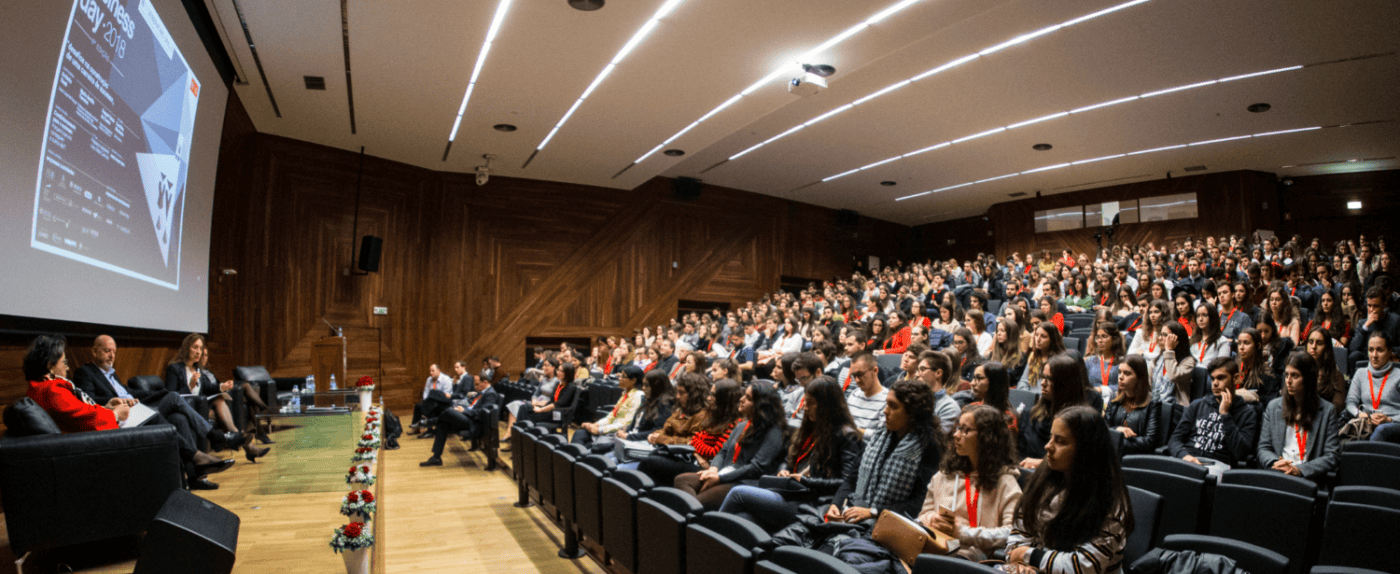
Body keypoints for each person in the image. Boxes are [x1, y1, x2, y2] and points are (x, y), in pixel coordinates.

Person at [24, 335, 236, 490]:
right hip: (101, 436)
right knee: (163, 410)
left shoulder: (47, 387)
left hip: (106, 421)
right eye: (64, 362)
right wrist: (114, 414)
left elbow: (82, 411)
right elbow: (84, 417)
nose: (67, 368)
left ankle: (190, 474)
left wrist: (108, 407)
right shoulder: (52, 390)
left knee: (177, 416)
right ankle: (202, 453)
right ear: (50, 366)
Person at [74, 335, 255, 454]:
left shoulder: (111, 373)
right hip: (126, 417)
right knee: (174, 397)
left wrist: (154, 394)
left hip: (139, 409)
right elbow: (89, 399)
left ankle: (196, 473)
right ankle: (214, 436)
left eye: (114, 352)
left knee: (179, 419)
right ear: (94, 351)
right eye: (107, 351)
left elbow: (130, 392)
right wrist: (114, 401)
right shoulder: (86, 372)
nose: (112, 356)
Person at [1006, 406, 1133, 574]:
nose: (1048, 446)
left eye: (1060, 441)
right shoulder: (1043, 479)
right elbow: (1020, 534)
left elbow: (1083, 566)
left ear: (1086, 450)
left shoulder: (1109, 499)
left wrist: (1029, 556)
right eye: (1051, 437)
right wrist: (1020, 564)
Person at [823, 380, 944, 523]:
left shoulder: (929, 446)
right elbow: (852, 479)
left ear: (913, 414)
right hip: (857, 511)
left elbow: (920, 502)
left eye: (893, 406)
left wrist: (873, 512)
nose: (885, 411)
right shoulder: (880, 436)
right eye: (887, 404)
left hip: (892, 525)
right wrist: (836, 503)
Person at [919, 405, 1023, 562]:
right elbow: (923, 515)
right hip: (934, 546)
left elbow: (1012, 533)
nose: (956, 435)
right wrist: (931, 519)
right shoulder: (945, 474)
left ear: (986, 437)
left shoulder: (1006, 483)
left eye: (965, 430)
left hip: (970, 559)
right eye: (958, 428)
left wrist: (961, 533)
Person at [675, 381, 789, 509]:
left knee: (698, 500)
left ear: (761, 405)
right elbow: (723, 452)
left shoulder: (774, 432)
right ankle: (691, 514)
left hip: (745, 482)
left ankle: (691, 516)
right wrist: (713, 469)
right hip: (724, 473)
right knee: (682, 480)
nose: (741, 399)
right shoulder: (742, 425)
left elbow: (756, 468)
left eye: (748, 398)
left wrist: (720, 479)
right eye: (744, 395)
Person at [635, 375, 740, 485]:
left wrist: (662, 439)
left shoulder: (731, 423)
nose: (709, 398)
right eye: (710, 395)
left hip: (704, 465)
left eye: (713, 395)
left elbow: (711, 451)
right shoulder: (713, 417)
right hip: (692, 456)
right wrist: (656, 435)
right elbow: (694, 440)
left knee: (649, 462)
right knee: (655, 455)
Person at [1257, 352, 1342, 480]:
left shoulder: (1327, 411)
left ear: (1308, 379)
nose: (1288, 381)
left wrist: (1300, 470)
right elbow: (1263, 447)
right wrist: (1275, 462)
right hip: (1279, 473)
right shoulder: (1273, 407)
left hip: (1307, 478)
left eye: (1295, 376)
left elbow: (1332, 455)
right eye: (1286, 375)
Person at [1168, 357, 1260, 467]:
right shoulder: (1197, 405)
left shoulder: (1247, 413)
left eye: (1221, 378)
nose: (1215, 383)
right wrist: (1184, 455)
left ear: (1235, 378)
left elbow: (1240, 453)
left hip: (1217, 465)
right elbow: (1175, 440)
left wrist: (1225, 415)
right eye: (1212, 379)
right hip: (1188, 460)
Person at [1019, 354, 1090, 469]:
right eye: (1043, 377)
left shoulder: (1082, 421)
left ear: (1066, 384)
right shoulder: (1029, 414)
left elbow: (1081, 464)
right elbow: (1019, 452)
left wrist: (1042, 464)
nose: (1042, 383)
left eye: (1050, 379)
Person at [419, 374, 502, 466]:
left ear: (485, 382)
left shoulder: (490, 394)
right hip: (469, 417)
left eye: (477, 384)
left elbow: (483, 412)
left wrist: (464, 411)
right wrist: (462, 408)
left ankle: (429, 422)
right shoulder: (483, 392)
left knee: (448, 411)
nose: (475, 386)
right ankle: (436, 457)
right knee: (443, 424)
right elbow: (473, 405)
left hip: (474, 423)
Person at [571, 365, 645, 447]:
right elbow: (611, 416)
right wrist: (596, 425)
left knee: (590, 447)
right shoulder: (625, 393)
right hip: (608, 430)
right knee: (579, 434)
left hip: (617, 434)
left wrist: (600, 430)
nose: (619, 379)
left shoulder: (637, 396)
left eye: (623, 377)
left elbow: (625, 424)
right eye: (620, 376)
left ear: (633, 380)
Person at [1103, 355, 1161, 456]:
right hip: (1112, 452)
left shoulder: (1153, 403)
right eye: (1119, 372)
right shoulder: (1114, 397)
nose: (1120, 377)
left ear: (1139, 377)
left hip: (1137, 457)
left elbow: (1149, 441)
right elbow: (1103, 428)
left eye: (1127, 373)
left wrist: (1121, 438)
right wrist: (1118, 430)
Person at [1346, 332, 1400, 438]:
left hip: (1394, 423)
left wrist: (1389, 419)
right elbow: (1350, 403)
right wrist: (1362, 415)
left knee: (1381, 430)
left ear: (1389, 352)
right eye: (1371, 350)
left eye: (1380, 350)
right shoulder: (1360, 373)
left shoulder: (1398, 375)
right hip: (1367, 422)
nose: (1374, 355)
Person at [1150, 322, 1195, 406]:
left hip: (1175, 407)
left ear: (1176, 339)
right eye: (1160, 334)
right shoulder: (1158, 360)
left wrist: (1169, 350)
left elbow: (1173, 376)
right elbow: (1149, 385)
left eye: (1164, 335)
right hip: (1156, 405)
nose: (1160, 338)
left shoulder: (1188, 361)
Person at [1304, 327, 1349, 410]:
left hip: (1323, 419)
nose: (1313, 346)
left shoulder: (1336, 376)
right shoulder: (1298, 372)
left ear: (1327, 348)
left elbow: (1337, 407)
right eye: (1310, 342)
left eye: (1319, 343)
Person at [1235, 328, 1281, 406]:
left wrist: (1256, 397)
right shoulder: (1234, 369)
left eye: (1246, 343)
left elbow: (1273, 402)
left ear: (1258, 346)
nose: (1241, 347)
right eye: (1239, 343)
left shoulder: (1267, 373)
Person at [917, 351, 961, 433]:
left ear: (938, 373)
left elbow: (937, 440)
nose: (917, 374)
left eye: (922, 369)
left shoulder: (949, 407)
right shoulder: (913, 399)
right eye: (917, 370)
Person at [845, 353, 889, 432]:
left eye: (860, 374)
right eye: (854, 375)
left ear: (875, 370)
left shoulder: (887, 400)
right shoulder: (854, 394)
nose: (857, 380)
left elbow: (881, 435)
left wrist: (854, 431)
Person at [1018, 323, 1067, 391]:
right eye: (1036, 335)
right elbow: (1023, 381)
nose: (1038, 340)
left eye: (1043, 336)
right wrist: (1027, 395)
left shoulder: (1059, 362)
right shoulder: (1034, 356)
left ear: (1052, 340)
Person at [408, 363, 455, 433]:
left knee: (432, 393)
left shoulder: (446, 379)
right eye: (430, 371)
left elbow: (446, 395)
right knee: (418, 405)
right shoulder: (429, 379)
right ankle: (416, 429)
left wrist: (431, 399)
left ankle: (428, 429)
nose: (431, 373)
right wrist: (426, 401)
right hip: (431, 401)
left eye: (433, 371)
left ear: (438, 370)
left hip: (444, 402)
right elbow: (425, 392)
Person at [1086, 322, 1125, 401]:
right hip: (1092, 401)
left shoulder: (1123, 362)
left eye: (1104, 336)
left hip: (1115, 401)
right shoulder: (1090, 360)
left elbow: (1125, 386)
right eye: (1098, 337)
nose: (1100, 341)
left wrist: (1101, 389)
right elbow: (1084, 384)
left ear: (1114, 339)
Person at [1190, 302, 1231, 366]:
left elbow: (1222, 367)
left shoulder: (1222, 341)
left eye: (1205, 315)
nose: (1200, 319)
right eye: (1198, 316)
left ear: (1213, 317)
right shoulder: (1191, 340)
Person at [989, 317, 1027, 384]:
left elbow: (1011, 379)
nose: (998, 333)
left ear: (1011, 333)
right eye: (997, 331)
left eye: (1002, 331)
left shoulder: (1021, 357)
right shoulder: (993, 354)